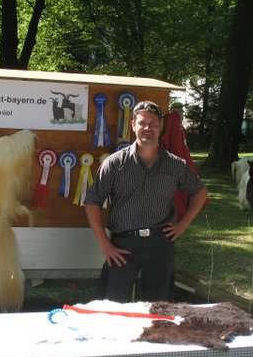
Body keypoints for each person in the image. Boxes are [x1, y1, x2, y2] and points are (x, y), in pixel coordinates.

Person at [84, 100, 208, 302]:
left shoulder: (175, 165)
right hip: (123, 245)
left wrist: (183, 224)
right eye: (142, 123)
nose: (147, 128)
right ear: (133, 125)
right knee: (112, 305)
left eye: (153, 123)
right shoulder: (115, 163)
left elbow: (200, 192)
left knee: (160, 306)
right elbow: (92, 200)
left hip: (160, 243)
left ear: (161, 126)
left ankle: (156, 333)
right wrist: (104, 244)